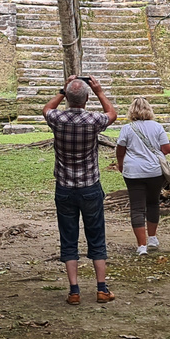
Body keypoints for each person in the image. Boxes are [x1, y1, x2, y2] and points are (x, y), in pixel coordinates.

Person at [43, 76, 118, 305]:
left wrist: (63, 89)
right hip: (90, 186)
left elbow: (47, 108)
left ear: (67, 98)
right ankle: (101, 288)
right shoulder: (93, 120)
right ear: (86, 99)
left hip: (65, 187)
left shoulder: (57, 118)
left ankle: (74, 290)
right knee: (96, 237)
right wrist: (99, 91)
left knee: (68, 238)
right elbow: (112, 114)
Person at [113, 96, 170, 255]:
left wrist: (121, 163)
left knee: (137, 207)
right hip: (154, 171)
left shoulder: (127, 128)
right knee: (153, 203)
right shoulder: (157, 127)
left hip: (133, 172)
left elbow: (120, 149)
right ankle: (152, 238)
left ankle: (141, 246)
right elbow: (167, 149)